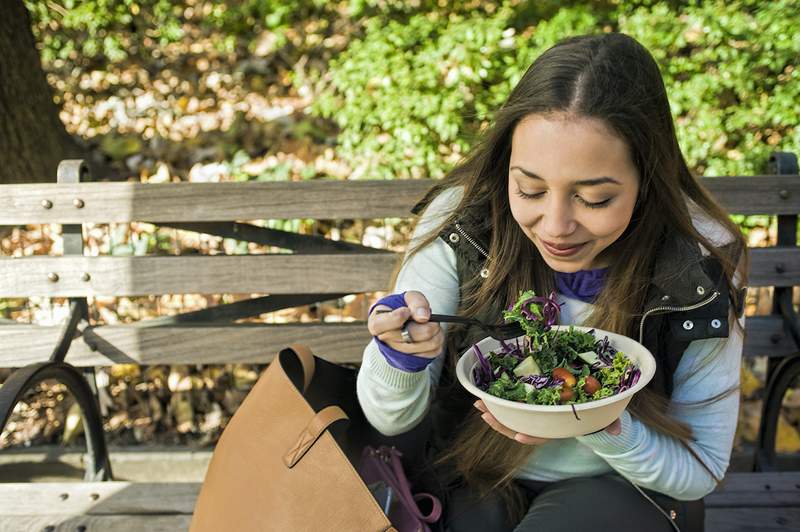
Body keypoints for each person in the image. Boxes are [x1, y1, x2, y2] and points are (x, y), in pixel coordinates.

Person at [357, 32, 748, 532]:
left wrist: (605, 427)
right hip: (473, 471)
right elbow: (390, 421)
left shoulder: (696, 259)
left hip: (630, 489)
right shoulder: (466, 225)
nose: (555, 226)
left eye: (595, 199)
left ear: (647, 179)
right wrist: (400, 356)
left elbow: (701, 467)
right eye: (530, 189)